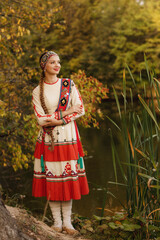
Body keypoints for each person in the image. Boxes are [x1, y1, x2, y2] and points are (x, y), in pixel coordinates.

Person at [32, 51, 89, 235]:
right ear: (44, 66)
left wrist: (59, 120)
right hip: (49, 141)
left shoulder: (68, 85)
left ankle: (68, 223)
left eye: (59, 62)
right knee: (53, 180)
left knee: (67, 179)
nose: (57, 65)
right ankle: (56, 223)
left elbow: (80, 110)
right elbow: (41, 120)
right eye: (53, 62)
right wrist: (64, 113)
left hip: (68, 137)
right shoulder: (37, 91)